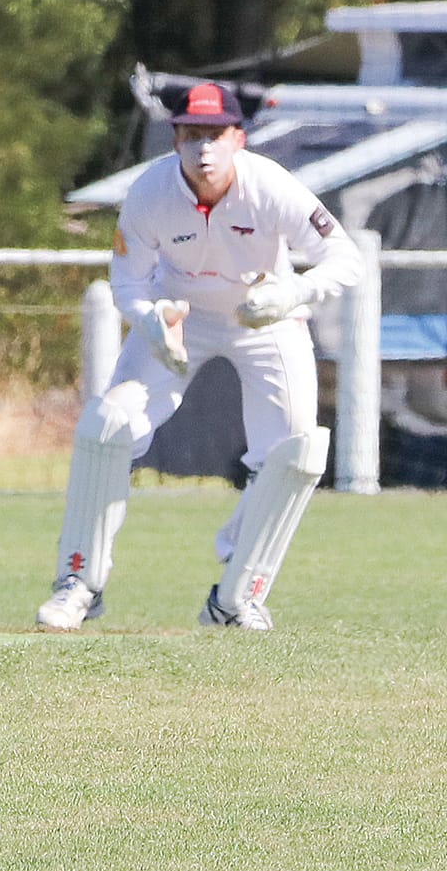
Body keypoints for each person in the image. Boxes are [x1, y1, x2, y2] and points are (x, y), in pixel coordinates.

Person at [35, 81, 363, 632]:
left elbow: (344, 259)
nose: (203, 150)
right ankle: (79, 583)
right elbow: (128, 283)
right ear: (176, 138)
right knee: (108, 424)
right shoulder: (149, 193)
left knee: (295, 453)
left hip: (267, 316)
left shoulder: (272, 187)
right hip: (178, 316)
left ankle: (236, 597)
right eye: (191, 136)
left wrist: (292, 293)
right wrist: (151, 321)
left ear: (238, 138)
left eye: (215, 136)